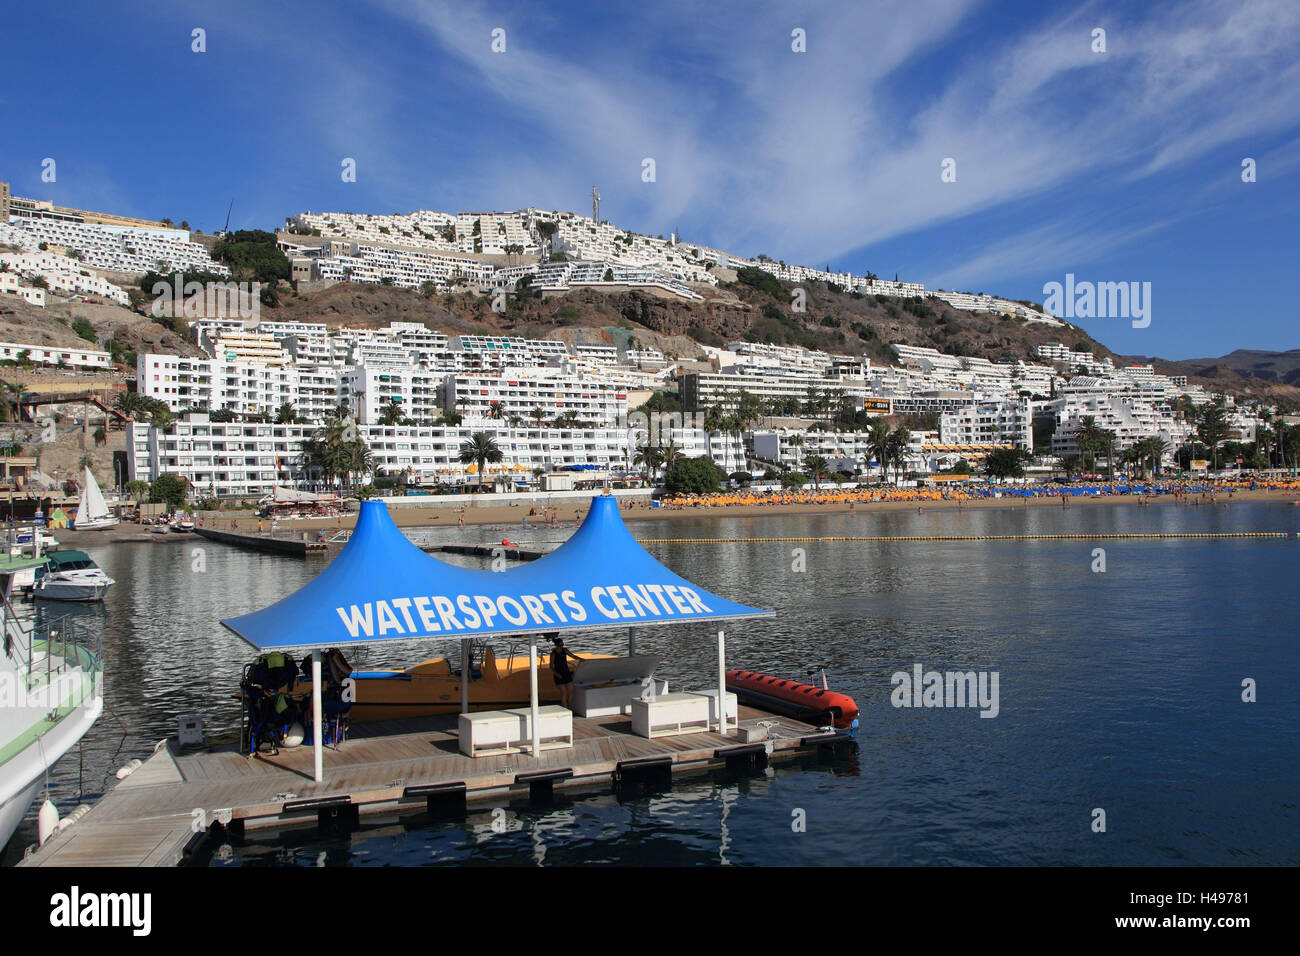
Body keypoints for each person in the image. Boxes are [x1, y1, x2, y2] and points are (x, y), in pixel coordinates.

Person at [549, 635, 580, 709]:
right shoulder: (553, 654)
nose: (561, 647)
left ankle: (570, 706)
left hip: (566, 672)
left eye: (562, 645)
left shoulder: (565, 650)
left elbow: (573, 656)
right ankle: (566, 708)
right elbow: (551, 666)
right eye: (560, 645)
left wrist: (581, 659)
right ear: (557, 645)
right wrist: (557, 674)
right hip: (559, 674)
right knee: (564, 693)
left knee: (571, 691)